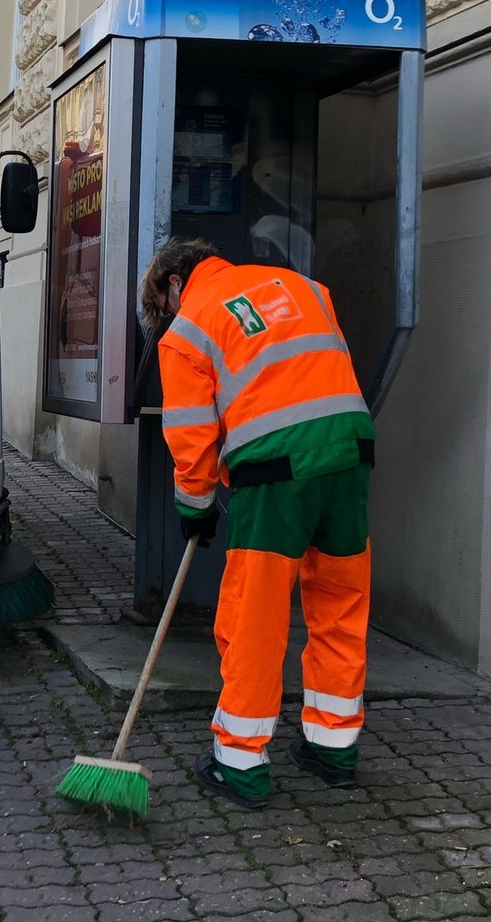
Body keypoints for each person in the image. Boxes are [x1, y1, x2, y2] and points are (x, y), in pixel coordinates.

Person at [139, 236, 375, 811]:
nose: (168, 315)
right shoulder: (303, 286)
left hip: (274, 472)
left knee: (256, 614)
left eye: (164, 305)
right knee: (341, 604)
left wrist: (194, 507)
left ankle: (240, 762)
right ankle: (332, 748)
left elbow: (193, 437)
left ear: (174, 283)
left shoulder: (188, 328)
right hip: (351, 450)